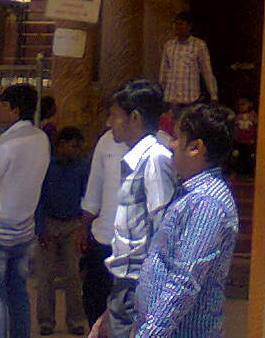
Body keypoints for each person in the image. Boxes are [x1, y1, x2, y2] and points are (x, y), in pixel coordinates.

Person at [128, 103, 238, 338]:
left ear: (196, 148)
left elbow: (185, 280)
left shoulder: (207, 203)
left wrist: (150, 334)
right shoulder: (190, 194)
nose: (172, 144)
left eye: (178, 138)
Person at [96, 79, 174, 338]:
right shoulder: (134, 159)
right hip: (124, 280)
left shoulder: (154, 159)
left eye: (115, 116)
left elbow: (163, 229)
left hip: (138, 284)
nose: (109, 123)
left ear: (135, 118)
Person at [0, 83, 49, 338]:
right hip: (26, 226)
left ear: (13, 109)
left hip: (1, 228)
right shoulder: (41, 138)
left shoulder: (5, 144)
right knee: (19, 290)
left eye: (1, 104)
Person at [34, 127, 90, 336]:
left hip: (72, 226)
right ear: (62, 145)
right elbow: (38, 198)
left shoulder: (82, 168)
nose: (76, 150)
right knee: (45, 276)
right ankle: (45, 321)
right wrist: (40, 228)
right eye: (73, 145)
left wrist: (85, 229)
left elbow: (88, 198)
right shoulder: (47, 167)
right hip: (48, 224)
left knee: (73, 276)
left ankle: (75, 320)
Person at [78, 118, 128, 327]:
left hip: (137, 248)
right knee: (94, 300)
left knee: (127, 308)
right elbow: (93, 191)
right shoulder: (106, 142)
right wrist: (83, 229)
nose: (108, 122)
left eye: (115, 115)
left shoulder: (160, 148)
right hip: (103, 238)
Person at [156, 15, 216, 110]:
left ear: (189, 26)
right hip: (172, 97)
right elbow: (164, 71)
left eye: (181, 24)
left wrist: (213, 95)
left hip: (191, 97)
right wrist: (160, 91)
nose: (177, 27)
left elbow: (207, 71)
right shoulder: (169, 45)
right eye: (175, 24)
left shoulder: (199, 45)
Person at [230, 99, 256, 179]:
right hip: (238, 141)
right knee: (235, 156)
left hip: (250, 141)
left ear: (250, 104)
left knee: (251, 157)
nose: (241, 106)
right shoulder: (236, 116)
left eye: (243, 104)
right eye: (239, 104)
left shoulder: (253, 115)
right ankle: (234, 172)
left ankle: (252, 173)